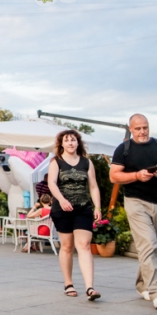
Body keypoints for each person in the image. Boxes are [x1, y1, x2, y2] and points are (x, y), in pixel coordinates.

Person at [110, 114, 157, 311]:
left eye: (145, 127)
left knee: (153, 248)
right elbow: (114, 176)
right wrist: (136, 175)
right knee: (148, 244)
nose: (142, 132)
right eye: (138, 128)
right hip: (135, 201)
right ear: (131, 129)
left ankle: (142, 285)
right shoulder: (123, 149)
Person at [48, 129, 102, 301]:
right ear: (61, 144)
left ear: (78, 143)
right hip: (62, 209)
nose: (70, 143)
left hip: (83, 208)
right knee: (67, 247)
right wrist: (61, 200)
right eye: (67, 140)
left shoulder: (86, 162)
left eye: (73, 140)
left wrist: (97, 207)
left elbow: (93, 186)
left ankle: (90, 287)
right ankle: (68, 283)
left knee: (84, 245)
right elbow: (52, 183)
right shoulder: (56, 162)